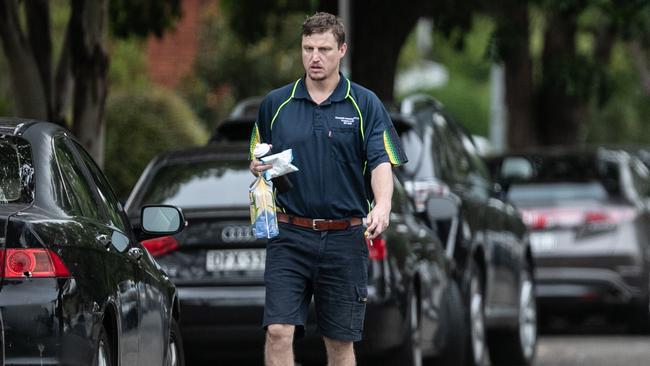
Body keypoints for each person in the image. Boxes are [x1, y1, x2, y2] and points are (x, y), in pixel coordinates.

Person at [249, 12, 407, 366]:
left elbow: (383, 162)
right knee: (278, 331)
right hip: (289, 235)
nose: (314, 57)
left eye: (323, 49)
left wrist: (382, 206)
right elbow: (257, 155)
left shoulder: (365, 104)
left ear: (342, 51)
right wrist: (257, 165)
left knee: (338, 343)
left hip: (344, 238)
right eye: (307, 48)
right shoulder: (275, 104)